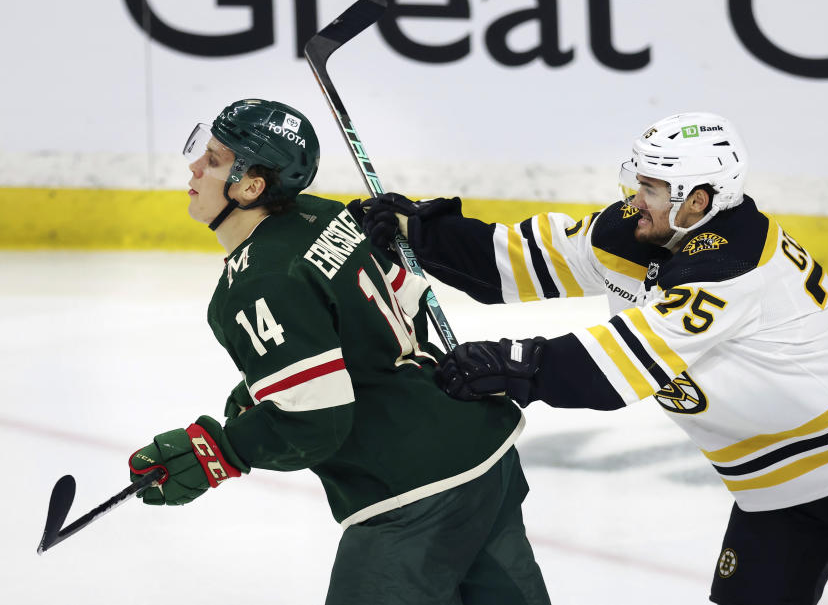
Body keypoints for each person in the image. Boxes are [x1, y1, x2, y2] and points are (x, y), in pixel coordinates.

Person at [352, 113, 828, 604]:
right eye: (637, 183)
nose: (633, 201)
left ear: (698, 200)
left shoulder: (731, 265)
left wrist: (515, 364)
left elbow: (629, 359)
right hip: (776, 486)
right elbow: (529, 257)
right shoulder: (643, 231)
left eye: (650, 189)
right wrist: (422, 231)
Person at [127, 98, 551, 605]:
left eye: (214, 159)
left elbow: (316, 423)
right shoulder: (322, 215)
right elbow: (401, 309)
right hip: (485, 453)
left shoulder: (254, 285)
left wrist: (220, 450)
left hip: (413, 496)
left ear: (251, 186)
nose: (194, 166)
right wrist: (276, 377)